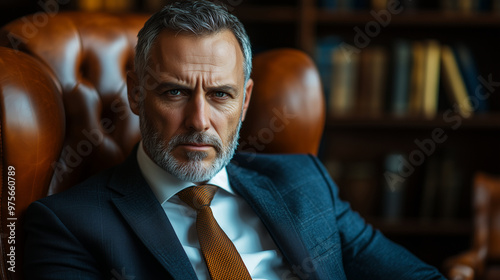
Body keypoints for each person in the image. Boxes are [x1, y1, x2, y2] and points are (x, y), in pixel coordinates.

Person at [23, 1, 445, 279]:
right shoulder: (67, 224)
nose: (199, 121)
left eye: (220, 95)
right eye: (175, 92)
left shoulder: (304, 181)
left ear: (244, 101)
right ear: (136, 93)